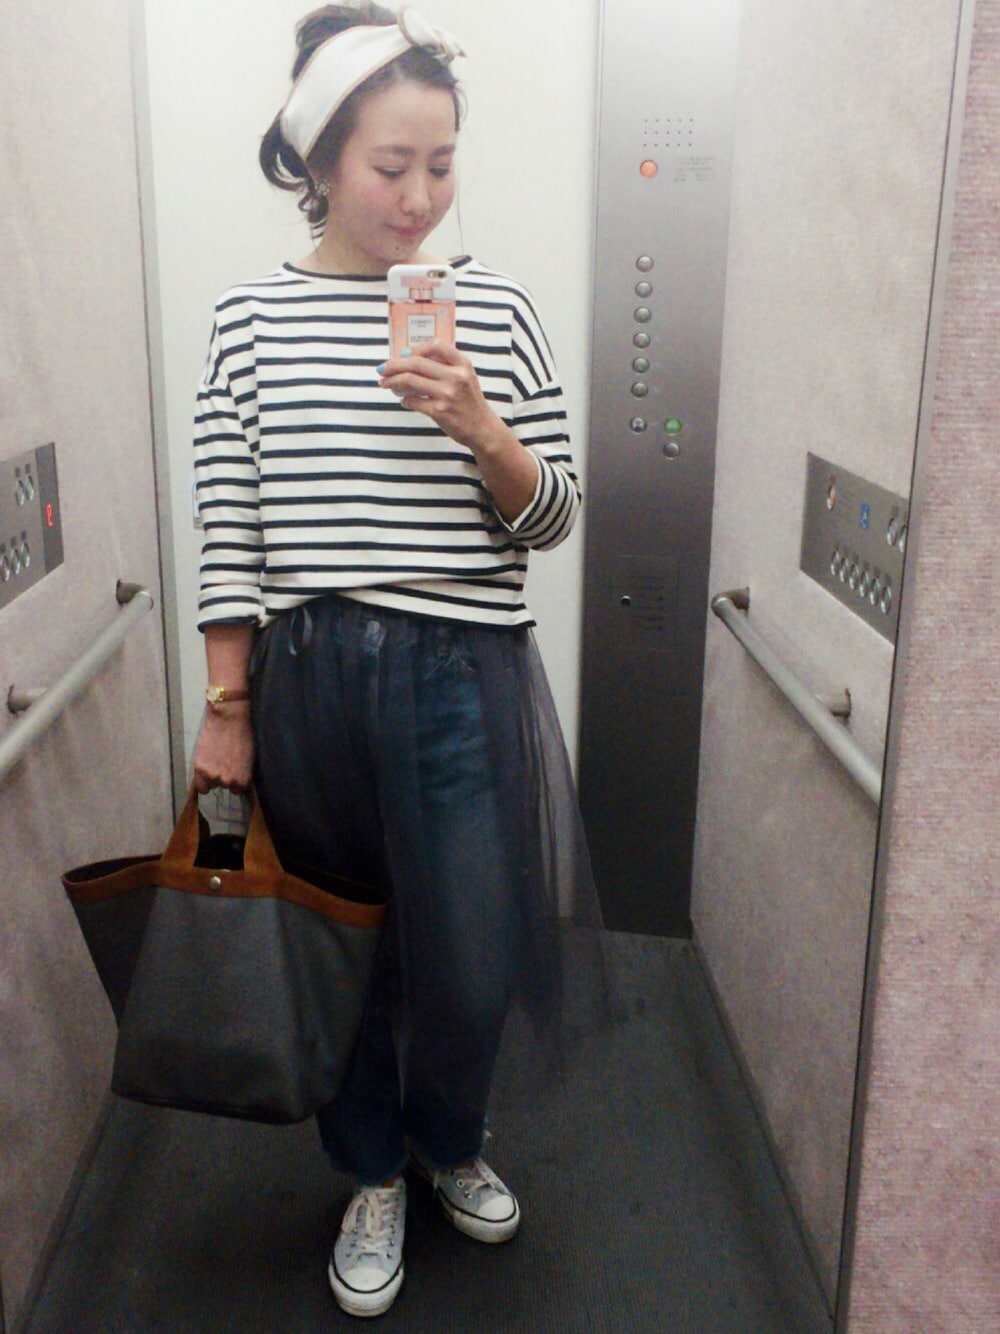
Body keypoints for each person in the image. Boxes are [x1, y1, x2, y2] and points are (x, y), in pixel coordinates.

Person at [192, 2, 597, 1319]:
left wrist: (482, 425)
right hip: (309, 676)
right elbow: (230, 527)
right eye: (390, 166)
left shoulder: (500, 312)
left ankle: (449, 1136)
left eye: (442, 163)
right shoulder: (249, 321)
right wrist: (227, 708)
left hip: (462, 675)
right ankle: (371, 1168)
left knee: (472, 950)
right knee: (344, 947)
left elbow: (553, 518)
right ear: (319, 162)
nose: (421, 197)